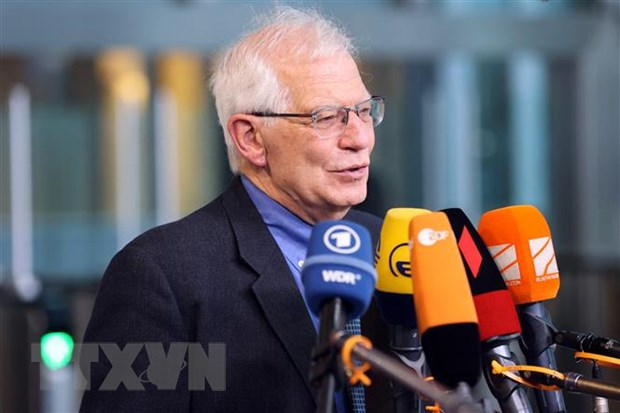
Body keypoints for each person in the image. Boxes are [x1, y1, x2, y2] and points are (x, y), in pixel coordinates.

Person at [80, 6, 390, 412]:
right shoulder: (161, 277)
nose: (359, 138)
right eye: (327, 117)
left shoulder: (395, 249)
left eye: (364, 112)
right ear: (251, 139)